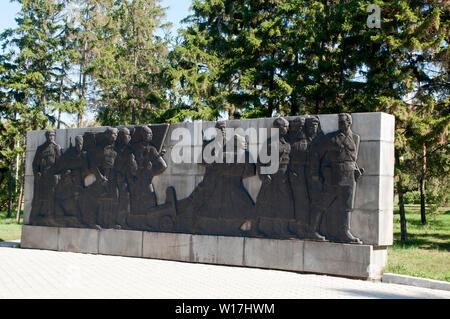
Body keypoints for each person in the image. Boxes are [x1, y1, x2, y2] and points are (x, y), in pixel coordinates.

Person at [310, 113, 363, 244]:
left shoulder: (356, 138)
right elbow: (317, 155)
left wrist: (356, 170)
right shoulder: (330, 138)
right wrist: (317, 173)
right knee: (323, 202)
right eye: (339, 122)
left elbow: (352, 158)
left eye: (343, 122)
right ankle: (311, 229)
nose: (340, 124)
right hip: (334, 176)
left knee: (346, 205)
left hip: (350, 176)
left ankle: (344, 232)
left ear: (349, 123)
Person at [255, 117, 295, 238]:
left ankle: (281, 229)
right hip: (271, 178)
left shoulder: (288, 144)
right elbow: (260, 161)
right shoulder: (269, 142)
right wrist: (264, 175)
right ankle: (255, 228)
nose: (287, 129)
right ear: (277, 128)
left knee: (284, 204)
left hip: (283, 178)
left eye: (287, 126)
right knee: (263, 203)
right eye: (284, 126)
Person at [30, 130, 62, 226]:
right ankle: (36, 217)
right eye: (49, 136)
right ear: (46, 137)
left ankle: (50, 216)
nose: (51, 137)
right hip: (42, 177)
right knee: (38, 198)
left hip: (52, 177)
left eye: (53, 136)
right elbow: (34, 164)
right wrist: (37, 173)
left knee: (51, 196)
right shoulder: (40, 149)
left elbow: (61, 163)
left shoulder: (56, 147)